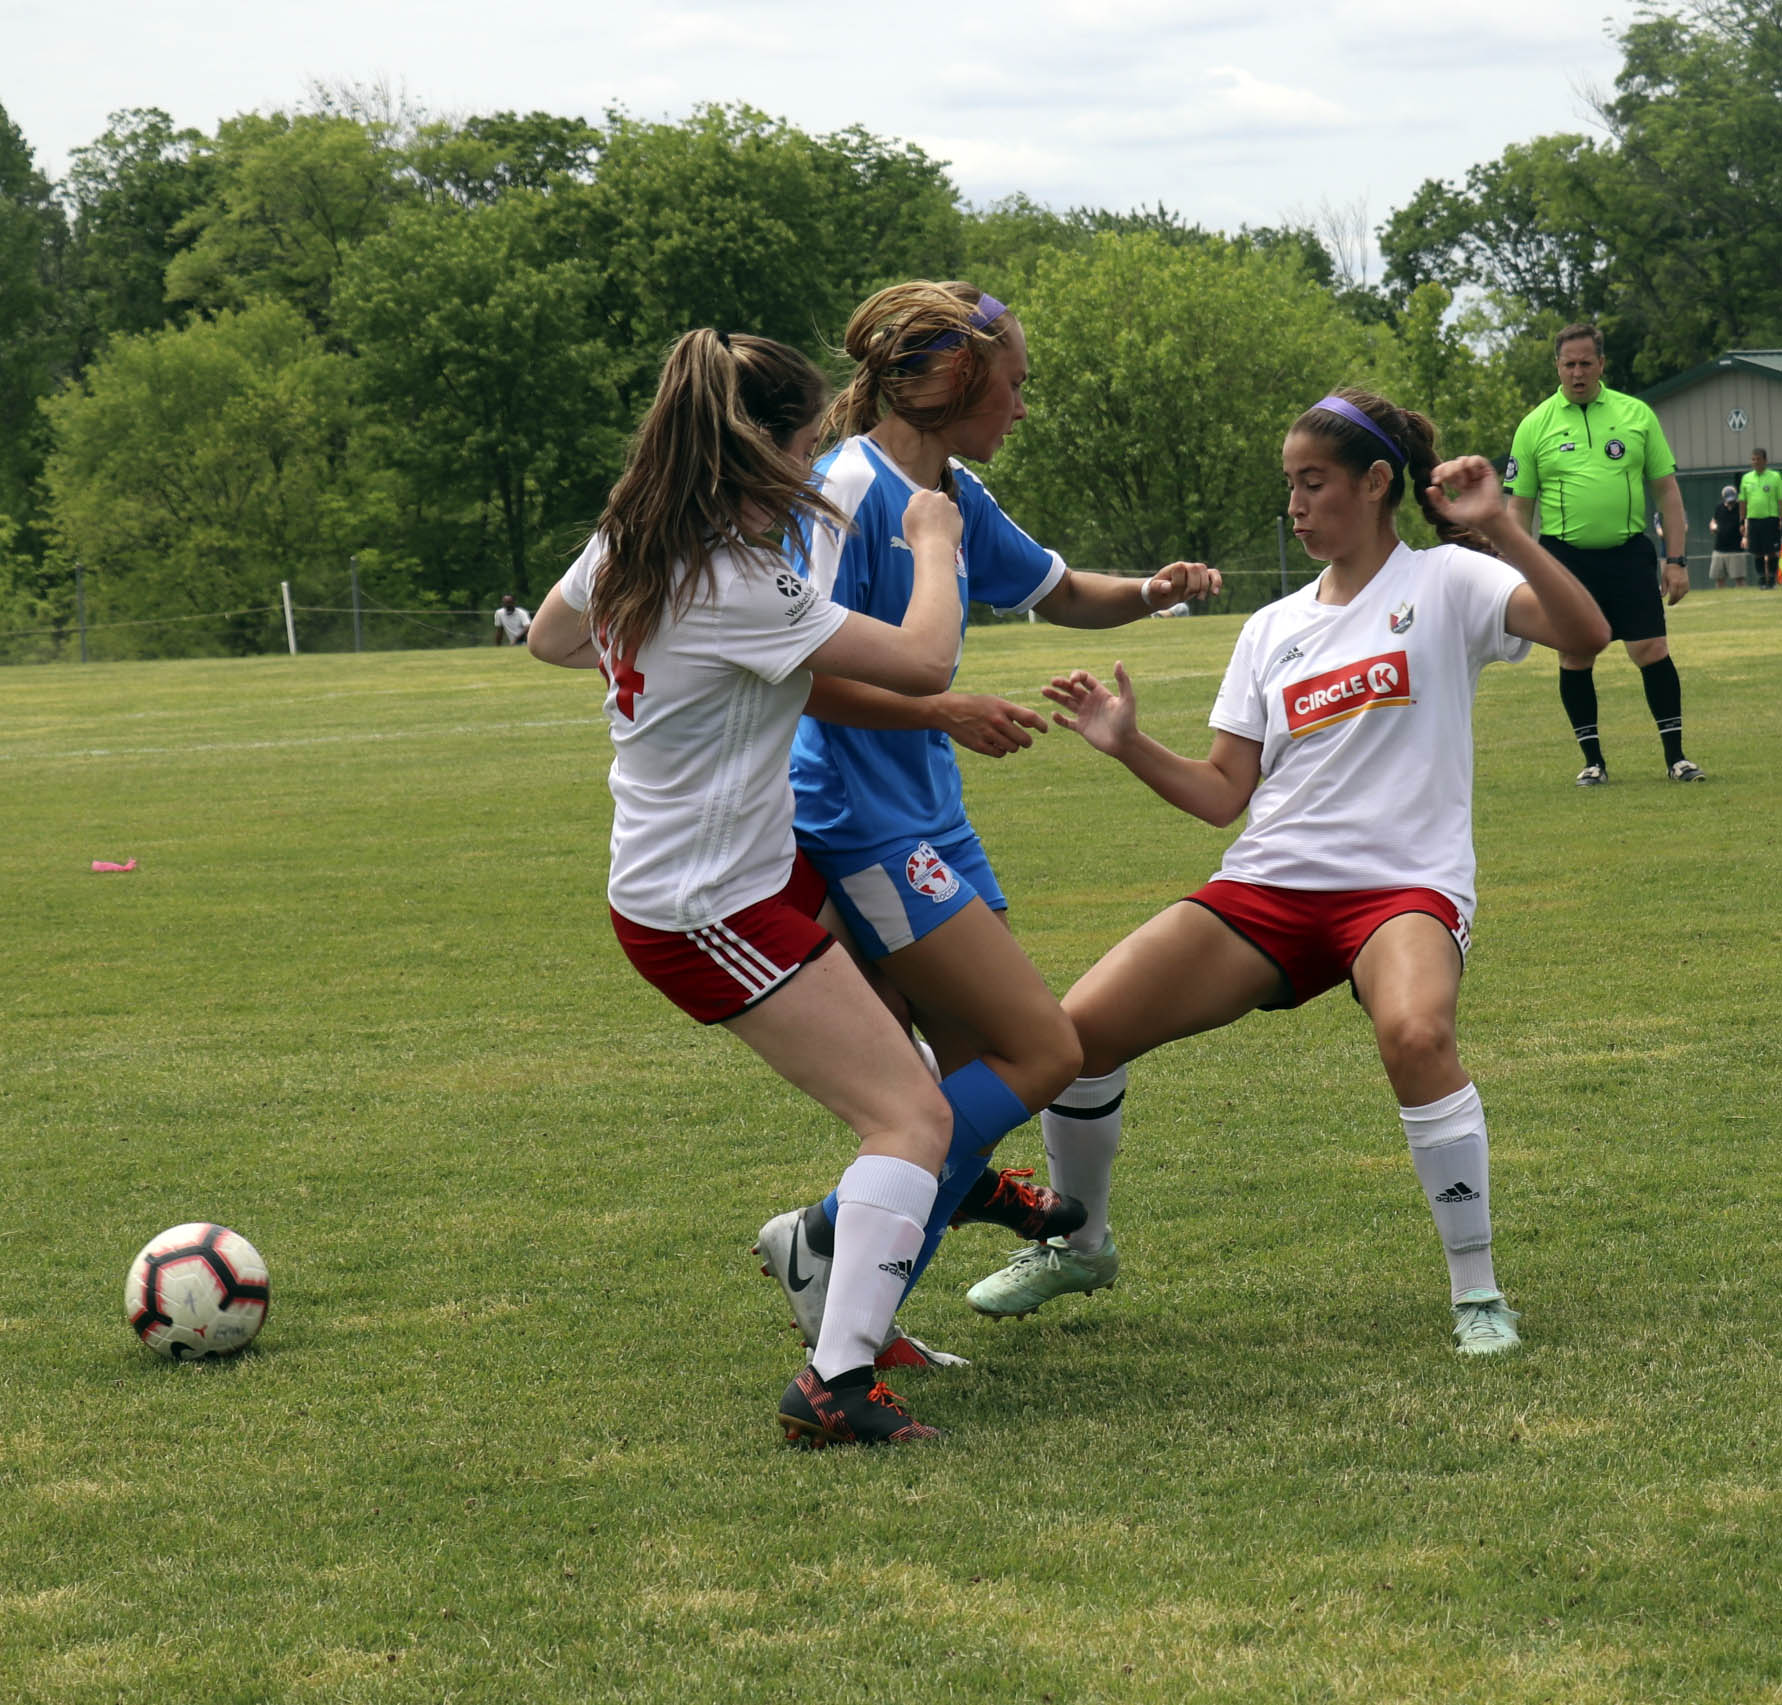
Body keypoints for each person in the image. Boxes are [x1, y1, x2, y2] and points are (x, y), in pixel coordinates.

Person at [962, 388, 1610, 1357]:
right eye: (1290, 486)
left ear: (1377, 481)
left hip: (1403, 889)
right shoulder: (1271, 627)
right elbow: (1225, 793)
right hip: (1269, 888)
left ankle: (1476, 1291)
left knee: (1417, 1031)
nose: (1297, 504)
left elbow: (1586, 633)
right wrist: (1128, 742)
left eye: (1314, 483)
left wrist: (1504, 530)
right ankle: (1081, 1244)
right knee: (1075, 1036)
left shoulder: (1446, 581)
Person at [751, 280, 1220, 1361]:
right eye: (1011, 385)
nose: (1021, 406)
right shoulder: (843, 490)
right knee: (1036, 1049)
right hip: (855, 820)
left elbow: (1055, 590)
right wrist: (940, 707)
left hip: (927, 818)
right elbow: (787, 671)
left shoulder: (950, 493)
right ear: (953, 381)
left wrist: (1154, 589)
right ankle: (824, 1236)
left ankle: (854, 1304)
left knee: (975, 1077)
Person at [526, 328, 970, 1448]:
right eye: (808, 444)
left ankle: (848, 1258)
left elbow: (550, 637)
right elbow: (926, 662)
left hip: (744, 872)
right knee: (909, 1112)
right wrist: (931, 536)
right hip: (703, 907)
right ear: (762, 448)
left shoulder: (635, 538)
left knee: (911, 1069)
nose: (818, 466)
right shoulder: (729, 577)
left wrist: (666, 673)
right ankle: (834, 1382)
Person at [1504, 321, 1703, 784]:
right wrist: (1516, 573)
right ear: (1557, 366)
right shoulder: (1535, 425)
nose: (1577, 373)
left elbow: (1668, 493)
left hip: (1628, 553)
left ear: (1601, 364)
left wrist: (1676, 561)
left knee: (1651, 649)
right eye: (1568, 364)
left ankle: (1676, 758)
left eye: (1585, 363)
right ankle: (1593, 762)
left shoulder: (1636, 415)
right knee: (1575, 657)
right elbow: (1518, 509)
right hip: (1564, 561)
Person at [1739, 447, 1781, 589]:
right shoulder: (1746, 478)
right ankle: (1762, 579)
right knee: (1757, 551)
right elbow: (1743, 501)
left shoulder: (1775, 477)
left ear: (1765, 461)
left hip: (1770, 518)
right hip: (1753, 519)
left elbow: (1780, 499)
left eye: (1758, 459)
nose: (1755, 462)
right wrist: (1742, 521)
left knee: (1771, 550)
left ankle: (1772, 580)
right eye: (1753, 459)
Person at [1709, 484, 1750, 588]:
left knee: (1739, 579)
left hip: (1736, 549)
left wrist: (1745, 537)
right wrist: (1713, 526)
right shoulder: (1719, 507)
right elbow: (1713, 521)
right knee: (1719, 579)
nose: (1731, 502)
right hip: (1719, 548)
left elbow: (1746, 523)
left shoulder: (1741, 508)